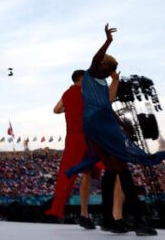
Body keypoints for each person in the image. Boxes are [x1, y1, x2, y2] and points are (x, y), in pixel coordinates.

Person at [67, 24, 165, 236]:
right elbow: (97, 60)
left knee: (111, 169)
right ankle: (139, 220)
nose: (109, 72)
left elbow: (107, 104)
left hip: (94, 125)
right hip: (100, 125)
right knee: (121, 170)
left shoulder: (100, 82)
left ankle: (109, 219)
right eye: (109, 69)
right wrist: (108, 41)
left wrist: (122, 124)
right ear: (103, 66)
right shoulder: (91, 73)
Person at [44, 69, 96, 229]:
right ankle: (84, 213)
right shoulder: (87, 93)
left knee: (66, 175)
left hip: (72, 139)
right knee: (88, 174)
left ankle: (56, 210)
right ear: (80, 79)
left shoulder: (67, 94)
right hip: (87, 138)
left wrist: (68, 108)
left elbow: (55, 110)